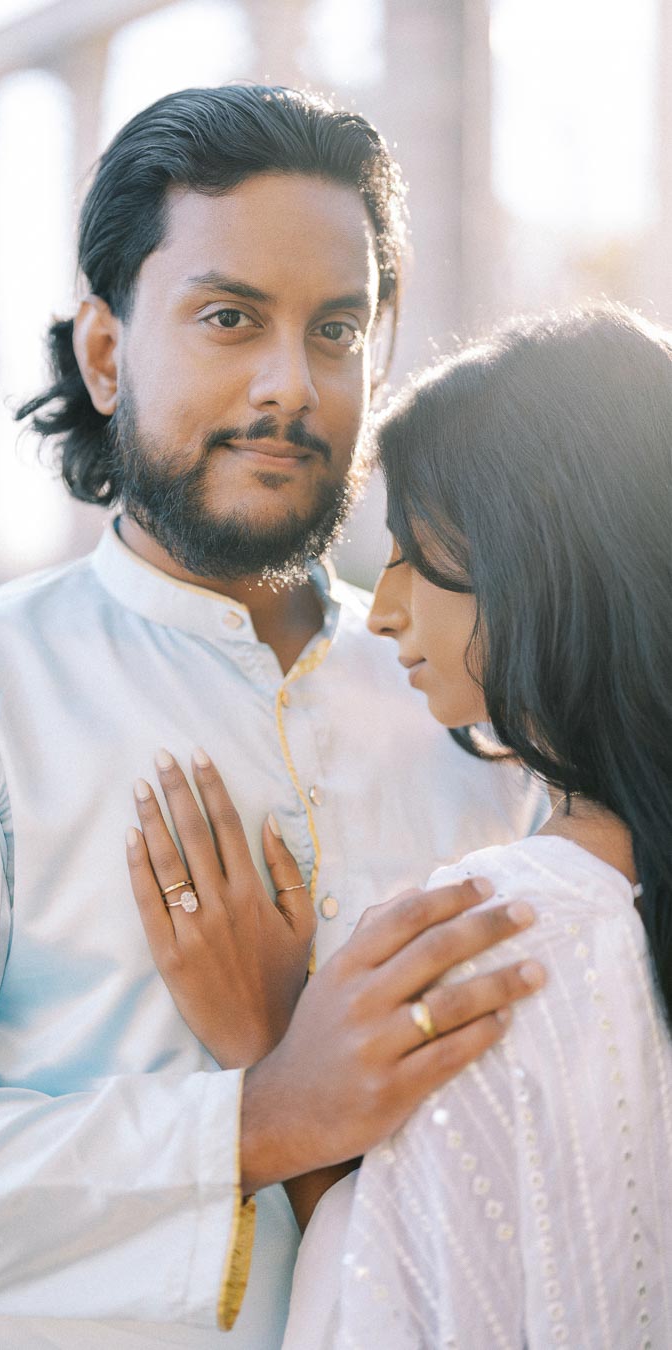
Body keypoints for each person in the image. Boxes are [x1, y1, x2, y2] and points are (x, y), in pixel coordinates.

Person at [0, 86, 545, 1349]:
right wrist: (260, 1121)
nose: (291, 386)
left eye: (338, 330)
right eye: (230, 319)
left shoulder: (476, 705)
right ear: (106, 352)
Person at [129, 303, 672, 1347]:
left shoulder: (486, 942)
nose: (382, 609)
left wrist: (272, 1047)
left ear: (548, 559)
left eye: (417, 552)